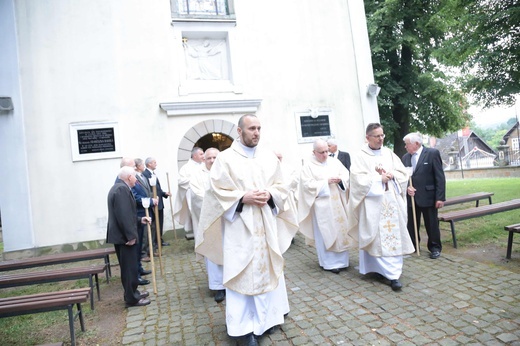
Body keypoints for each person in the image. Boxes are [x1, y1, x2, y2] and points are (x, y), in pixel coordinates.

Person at [195, 114, 298, 346]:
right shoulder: (226, 159)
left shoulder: (269, 156)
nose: (257, 133)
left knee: (268, 268)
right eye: (252, 128)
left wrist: (271, 194)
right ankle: (243, 329)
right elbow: (216, 191)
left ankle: (266, 320)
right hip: (240, 226)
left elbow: (283, 185)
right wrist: (243, 197)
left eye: (259, 128)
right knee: (242, 271)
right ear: (239, 132)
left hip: (265, 223)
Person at [347, 123, 415, 291]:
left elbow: (402, 173)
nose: (381, 139)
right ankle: (375, 269)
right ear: (367, 137)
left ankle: (393, 275)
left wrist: (392, 176)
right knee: (376, 238)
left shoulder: (389, 153)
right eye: (377, 136)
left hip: (391, 202)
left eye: (382, 135)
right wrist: (378, 180)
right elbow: (356, 180)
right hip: (372, 204)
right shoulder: (360, 157)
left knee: (392, 235)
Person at [298, 139, 352, 273]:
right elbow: (306, 185)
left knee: (341, 230)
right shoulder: (308, 166)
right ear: (314, 152)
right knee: (326, 232)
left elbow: (346, 175)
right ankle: (329, 263)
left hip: (338, 202)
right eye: (321, 152)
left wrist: (341, 181)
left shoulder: (334, 161)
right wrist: (325, 183)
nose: (325, 155)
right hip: (322, 206)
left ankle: (343, 261)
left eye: (326, 151)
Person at [106, 166, 151, 307]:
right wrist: (130, 236)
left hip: (123, 235)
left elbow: (127, 214)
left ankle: (133, 292)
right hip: (124, 238)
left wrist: (139, 220)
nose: (136, 181)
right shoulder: (121, 189)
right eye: (135, 178)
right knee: (129, 268)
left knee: (129, 267)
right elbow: (123, 216)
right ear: (130, 177)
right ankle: (131, 298)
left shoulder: (120, 188)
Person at [402, 132, 446, 259]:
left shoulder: (432, 154)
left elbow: (440, 177)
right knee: (411, 224)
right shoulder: (405, 158)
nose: (405, 147)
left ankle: (435, 247)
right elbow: (403, 178)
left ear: (416, 143)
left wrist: (440, 197)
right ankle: (413, 246)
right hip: (411, 197)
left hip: (429, 196)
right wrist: (406, 188)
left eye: (407, 144)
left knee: (431, 224)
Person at [190, 147, 225, 303]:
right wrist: (215, 204)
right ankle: (218, 287)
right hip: (209, 221)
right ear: (204, 159)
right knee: (212, 252)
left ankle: (231, 282)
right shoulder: (197, 175)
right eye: (209, 158)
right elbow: (197, 195)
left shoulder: (226, 171)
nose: (212, 160)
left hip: (226, 219)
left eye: (215, 157)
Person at [173, 147, 204, 236]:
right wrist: (195, 180)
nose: (203, 156)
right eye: (201, 154)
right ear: (194, 155)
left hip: (206, 196)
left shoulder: (204, 165)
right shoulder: (186, 168)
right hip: (193, 197)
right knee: (197, 221)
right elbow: (181, 182)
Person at [143, 157, 171, 247]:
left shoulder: (153, 173)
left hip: (159, 203)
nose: (156, 164)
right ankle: (155, 242)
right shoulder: (145, 174)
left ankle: (159, 239)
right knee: (155, 225)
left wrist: (164, 193)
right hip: (154, 203)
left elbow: (157, 189)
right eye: (154, 162)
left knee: (160, 223)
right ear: (149, 164)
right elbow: (150, 190)